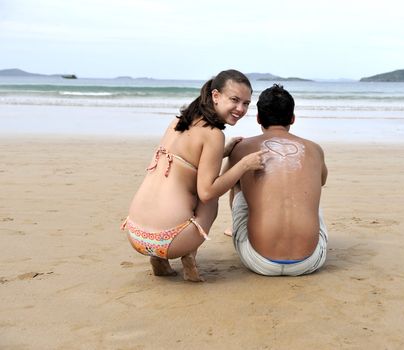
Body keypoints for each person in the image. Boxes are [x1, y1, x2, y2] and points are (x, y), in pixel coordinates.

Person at [121, 69, 267, 281]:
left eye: (246, 103)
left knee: (186, 184)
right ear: (215, 96)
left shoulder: (178, 122)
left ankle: (160, 261)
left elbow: (186, 162)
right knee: (209, 196)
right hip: (170, 241)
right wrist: (243, 165)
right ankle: (188, 254)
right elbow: (207, 192)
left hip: (135, 234)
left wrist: (223, 152)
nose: (240, 109)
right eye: (235, 100)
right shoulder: (213, 134)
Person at [226, 84, 328, 276]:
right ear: (292, 118)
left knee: (237, 181)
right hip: (309, 260)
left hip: (259, 260)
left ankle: (236, 229)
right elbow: (321, 182)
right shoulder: (314, 149)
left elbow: (225, 182)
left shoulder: (241, 148)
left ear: (258, 118)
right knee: (310, 196)